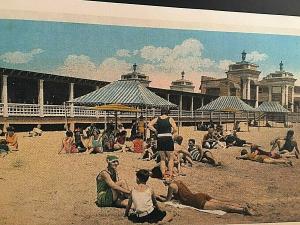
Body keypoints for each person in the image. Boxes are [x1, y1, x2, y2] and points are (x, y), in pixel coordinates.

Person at [157, 179, 255, 215]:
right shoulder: (178, 181)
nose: (164, 182)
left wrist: (159, 198)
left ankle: (242, 210)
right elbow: (181, 194)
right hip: (199, 195)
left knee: (221, 207)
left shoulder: (171, 186)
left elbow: (167, 200)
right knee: (221, 202)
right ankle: (241, 205)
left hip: (196, 201)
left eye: (164, 181)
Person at [148, 108, 177, 179]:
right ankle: (170, 174)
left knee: (162, 159)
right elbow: (175, 129)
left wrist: (155, 131)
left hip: (160, 138)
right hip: (168, 138)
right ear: (167, 113)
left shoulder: (157, 118)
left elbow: (149, 125)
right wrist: (171, 133)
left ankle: (163, 175)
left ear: (161, 112)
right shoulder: (170, 119)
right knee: (170, 158)